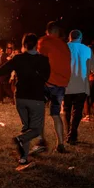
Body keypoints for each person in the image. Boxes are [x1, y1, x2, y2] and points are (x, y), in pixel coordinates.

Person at [0, 34, 50, 168]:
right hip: (36, 97)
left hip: (20, 97)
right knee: (37, 129)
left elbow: (0, 70)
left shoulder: (18, 58)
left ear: (24, 45)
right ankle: (20, 140)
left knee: (26, 127)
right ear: (36, 45)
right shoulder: (43, 59)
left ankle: (23, 158)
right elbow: (46, 76)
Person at [32, 21, 71, 154]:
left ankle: (41, 141)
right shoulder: (65, 46)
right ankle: (60, 144)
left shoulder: (44, 41)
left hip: (47, 84)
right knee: (55, 114)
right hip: (60, 85)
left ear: (48, 31)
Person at [63, 30, 94, 144]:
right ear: (81, 38)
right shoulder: (87, 50)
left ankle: (68, 133)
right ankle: (72, 134)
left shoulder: (64, 47)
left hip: (66, 84)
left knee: (66, 109)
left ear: (70, 37)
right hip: (81, 84)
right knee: (77, 110)